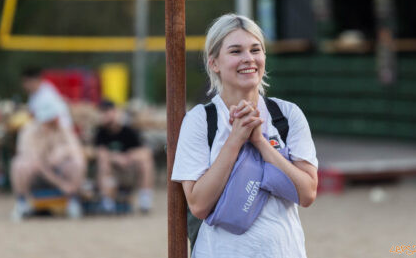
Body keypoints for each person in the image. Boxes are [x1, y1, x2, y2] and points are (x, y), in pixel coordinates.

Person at [171, 14, 318, 257]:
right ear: (214, 63)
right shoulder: (200, 120)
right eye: (236, 51)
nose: (248, 59)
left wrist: (260, 142)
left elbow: (307, 194)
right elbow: (198, 204)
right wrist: (235, 139)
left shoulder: (287, 115)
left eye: (255, 50)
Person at [10, 99, 86, 221]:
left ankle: (73, 200)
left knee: (77, 163)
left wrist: (64, 151)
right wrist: (61, 184)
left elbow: (77, 151)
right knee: (18, 165)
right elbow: (36, 163)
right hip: (38, 175)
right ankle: (22, 202)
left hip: (59, 170)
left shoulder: (62, 129)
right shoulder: (28, 132)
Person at [94, 100, 155, 213]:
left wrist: (127, 157)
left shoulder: (128, 131)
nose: (104, 115)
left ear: (114, 112)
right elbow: (100, 153)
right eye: (102, 112)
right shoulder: (100, 133)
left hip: (130, 170)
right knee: (103, 161)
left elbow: (145, 152)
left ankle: (145, 199)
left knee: (145, 162)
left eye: (106, 111)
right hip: (113, 172)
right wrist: (115, 157)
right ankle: (107, 201)